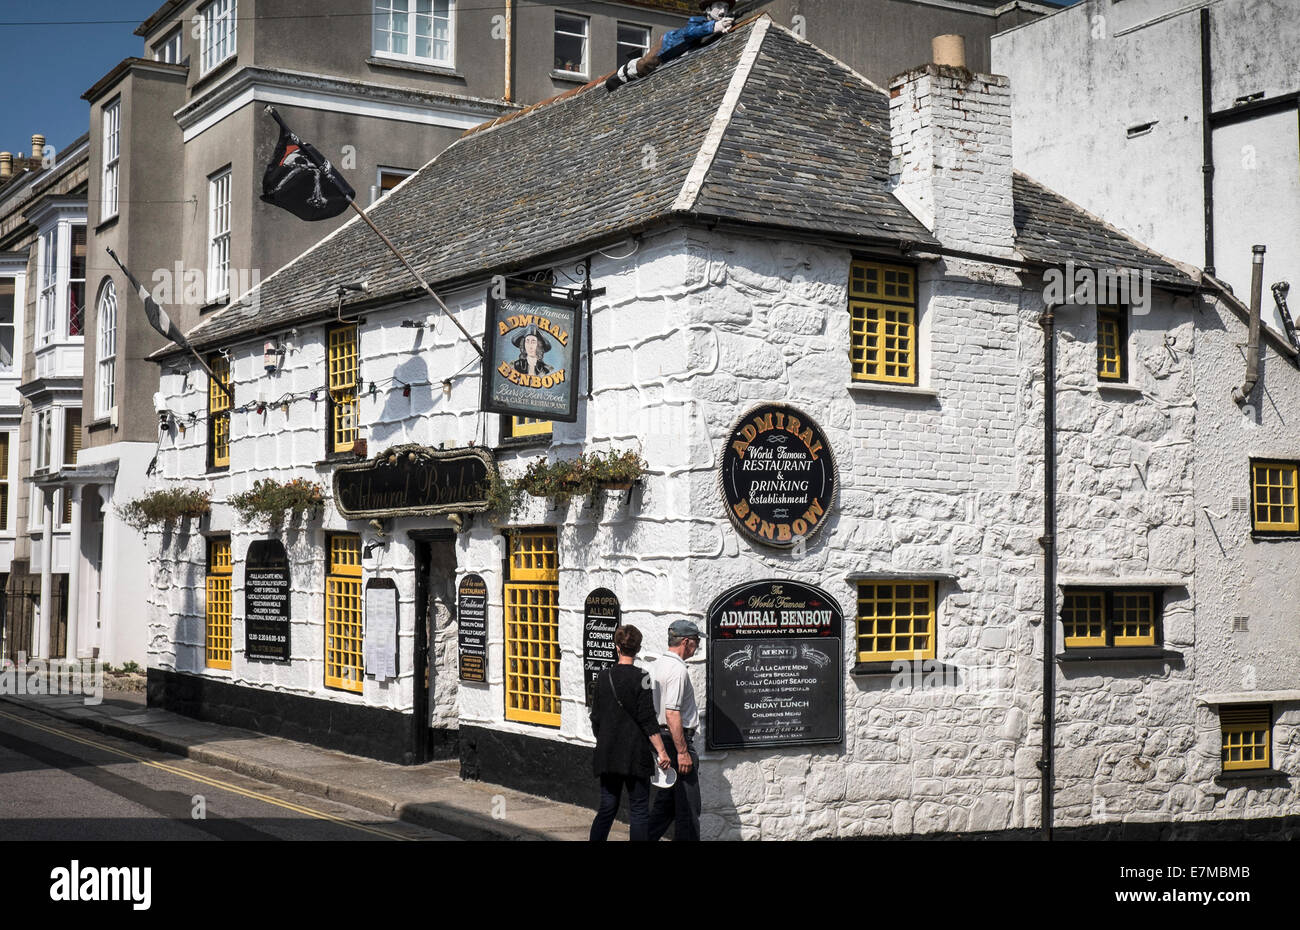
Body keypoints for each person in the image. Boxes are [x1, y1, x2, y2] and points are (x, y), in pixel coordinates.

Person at [589, 624, 672, 842]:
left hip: (608, 753)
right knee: (638, 811)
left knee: (607, 807)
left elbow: (595, 717)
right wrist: (662, 752)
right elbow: (647, 719)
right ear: (638, 649)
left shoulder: (603, 677)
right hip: (635, 754)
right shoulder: (643, 677)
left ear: (617, 647)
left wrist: (606, 738)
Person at [648, 619, 703, 841]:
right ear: (686, 641)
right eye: (696, 642)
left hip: (662, 739)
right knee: (688, 809)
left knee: (667, 804)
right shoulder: (678, 669)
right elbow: (672, 713)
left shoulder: (657, 664)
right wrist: (683, 752)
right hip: (676, 741)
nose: (697, 647)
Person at [606, 0, 735, 92]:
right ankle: (622, 74)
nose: (723, 11)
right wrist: (714, 27)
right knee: (644, 65)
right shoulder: (696, 21)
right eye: (719, 5)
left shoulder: (718, 23)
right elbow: (691, 32)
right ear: (708, 9)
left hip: (679, 53)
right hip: (668, 44)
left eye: (726, 7)